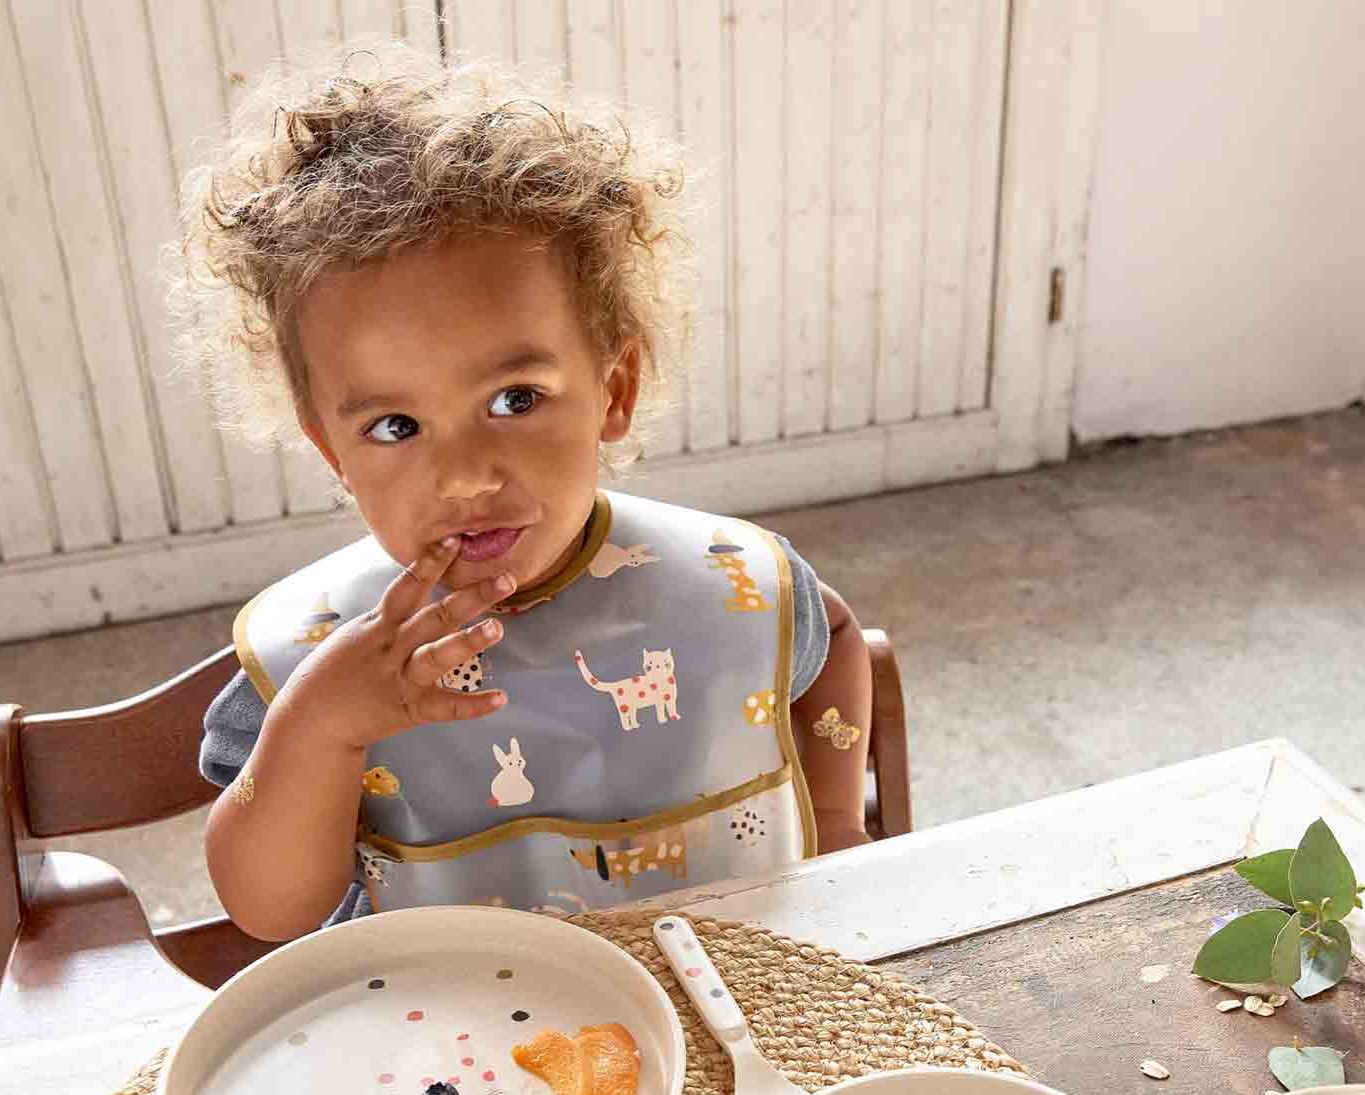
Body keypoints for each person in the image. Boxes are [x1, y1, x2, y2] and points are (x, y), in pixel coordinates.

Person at [173, 45, 873, 942]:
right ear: (331, 453)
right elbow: (269, 916)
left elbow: (837, 633)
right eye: (394, 427)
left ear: (613, 391)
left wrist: (842, 821)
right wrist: (320, 729)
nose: (465, 475)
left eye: (514, 401)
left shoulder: (728, 585)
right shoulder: (318, 664)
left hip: (732, 1003)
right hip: (459, 1039)